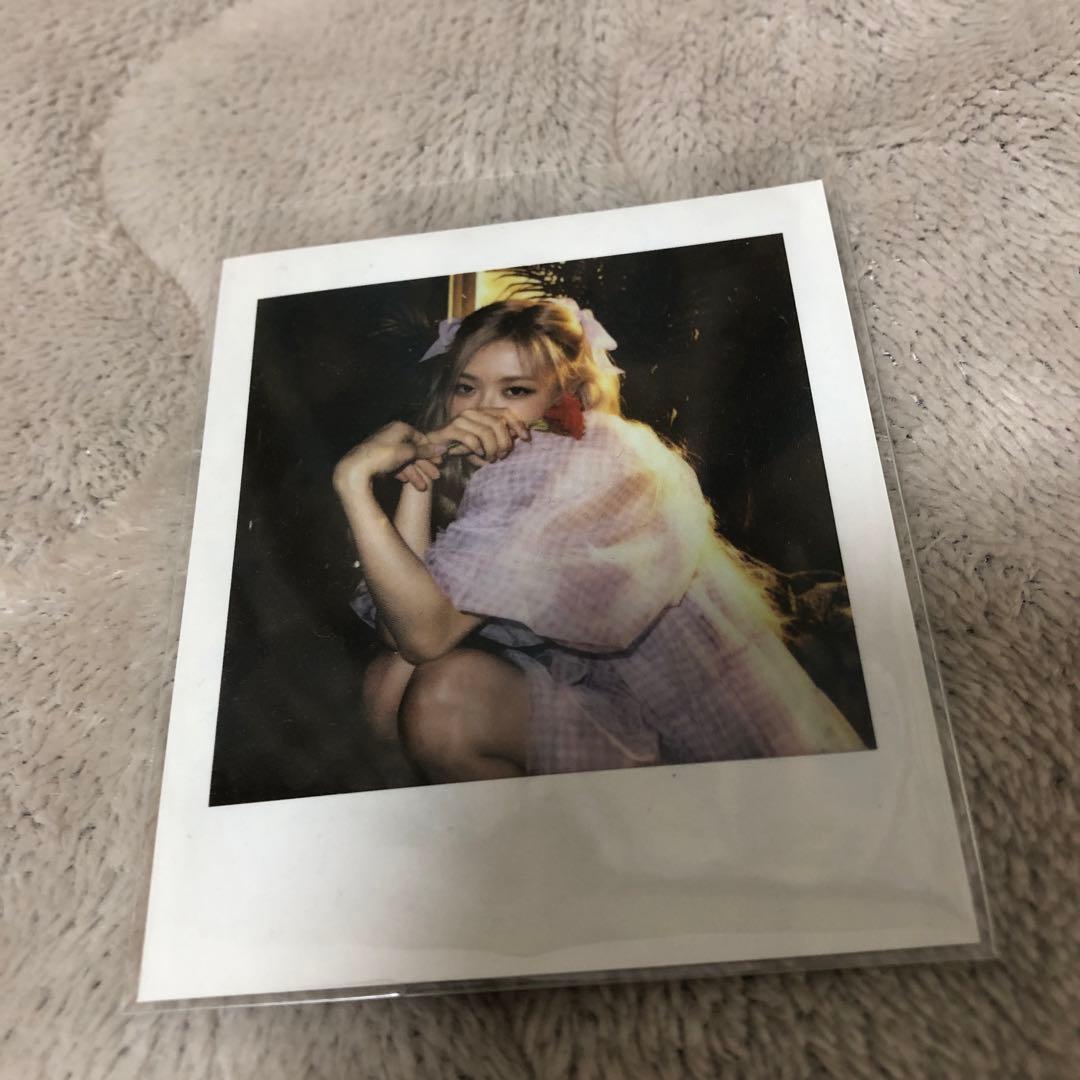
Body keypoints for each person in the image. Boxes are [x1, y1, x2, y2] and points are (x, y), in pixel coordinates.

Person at [333, 297, 864, 784]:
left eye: (515, 391)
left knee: (444, 698)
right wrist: (421, 473)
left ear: (570, 397)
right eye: (466, 388)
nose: (479, 411)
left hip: (703, 737)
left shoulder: (590, 459)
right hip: (615, 706)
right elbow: (401, 631)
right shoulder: (508, 469)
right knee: (388, 685)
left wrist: (352, 482)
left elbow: (426, 635)